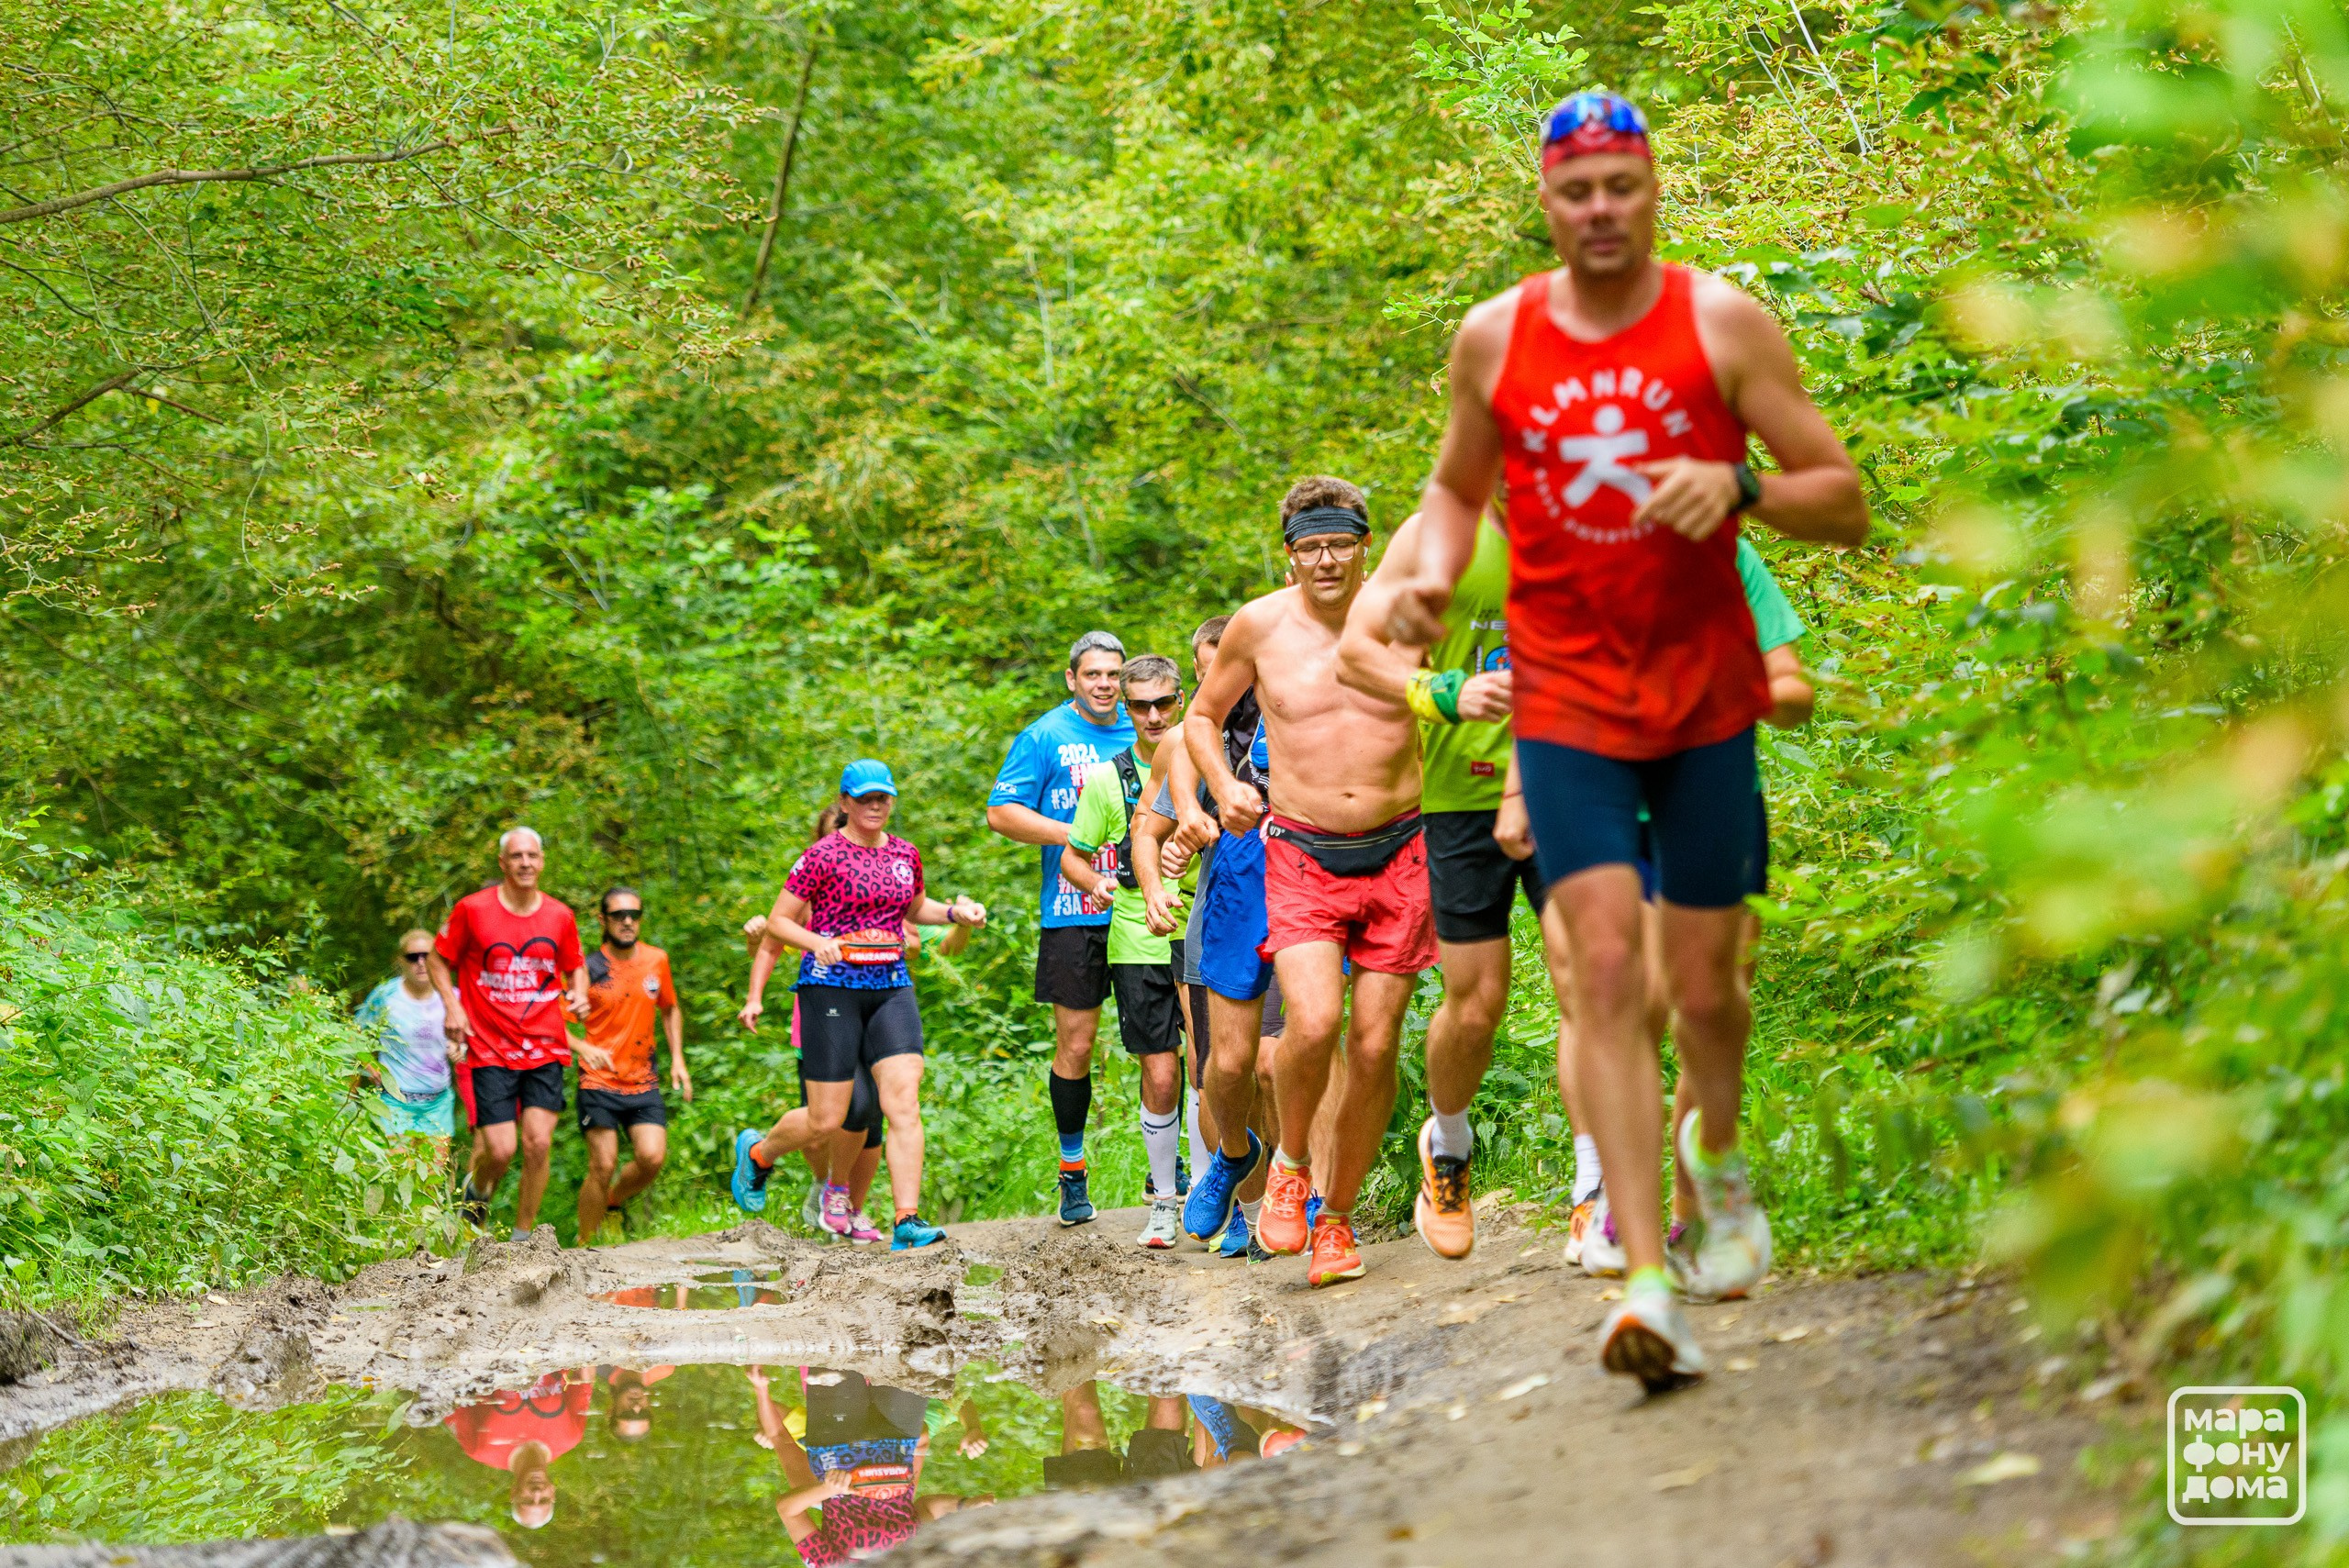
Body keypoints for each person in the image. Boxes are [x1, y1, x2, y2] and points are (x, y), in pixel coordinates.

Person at [1384, 91, 1868, 1389]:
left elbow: (1842, 498)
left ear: (1653, 190)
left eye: (1621, 185)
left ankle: (1716, 1150)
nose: (1599, 209)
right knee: (1603, 973)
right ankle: (1646, 1275)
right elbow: (1454, 487)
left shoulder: (1722, 323)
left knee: (1705, 993)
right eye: (1575, 190)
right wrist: (1430, 573)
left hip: (1703, 701)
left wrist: (1742, 483)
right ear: (1545, 202)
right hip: (1567, 702)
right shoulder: (1497, 336)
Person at [1535, 537, 1818, 1276]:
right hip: (1612, 815)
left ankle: (1694, 1216)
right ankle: (1621, 1205)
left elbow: (1794, 691)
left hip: (1718, 804)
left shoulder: (1727, 557)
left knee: (1713, 1006)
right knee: (1638, 1000)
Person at [1185, 476, 1439, 1288]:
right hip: (1300, 851)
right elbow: (1201, 716)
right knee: (1315, 1020)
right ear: (1289, 554)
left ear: (1366, 546)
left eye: (1341, 544)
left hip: (1402, 848)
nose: (1327, 560)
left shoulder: (1411, 618)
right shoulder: (1260, 625)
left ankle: (1337, 1217)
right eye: (1311, 547)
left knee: (1375, 1043)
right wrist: (1221, 785)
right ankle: (1288, 1162)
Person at [1338, 507, 1531, 1261]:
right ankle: (1448, 1142)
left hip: (1570, 776)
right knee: (1477, 1004)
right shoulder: (1436, 534)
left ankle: (1595, 1192)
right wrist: (1440, 691)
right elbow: (1358, 653)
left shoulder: (1594, 520)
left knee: (1596, 985)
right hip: (1461, 798)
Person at [732, 760, 987, 1250]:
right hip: (831, 988)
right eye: (865, 798)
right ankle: (760, 1153)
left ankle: (907, 1219)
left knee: (903, 1101)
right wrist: (816, 942)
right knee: (827, 1119)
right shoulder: (821, 856)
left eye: (883, 798)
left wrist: (957, 913)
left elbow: (916, 908)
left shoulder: (905, 854)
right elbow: (778, 922)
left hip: (890, 985)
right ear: (845, 802)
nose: (875, 806)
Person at [985, 630, 1135, 1225]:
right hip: (1073, 911)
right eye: (1093, 674)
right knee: (1076, 1045)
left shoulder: (1143, 725)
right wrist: (1075, 833)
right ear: (1072, 678)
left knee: (1161, 1046)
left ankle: (1168, 1168)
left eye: (1113, 674)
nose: (1105, 684)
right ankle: (1072, 1172)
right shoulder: (1044, 736)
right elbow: (1001, 812)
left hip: (1141, 908)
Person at [1060, 653, 1190, 1248]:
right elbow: (1073, 853)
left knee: (1213, 1070)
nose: (1153, 716)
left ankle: (1213, 1191)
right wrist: (1095, 882)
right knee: (1160, 1073)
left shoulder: (1208, 761)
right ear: (1127, 709)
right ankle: (1163, 1199)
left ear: (1181, 700)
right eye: (1140, 706)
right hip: (1137, 938)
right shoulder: (1107, 778)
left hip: (1205, 929)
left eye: (1163, 703)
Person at [429, 828, 591, 1237]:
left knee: (538, 1143)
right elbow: (436, 959)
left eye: (532, 855)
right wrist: (453, 1007)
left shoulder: (560, 915)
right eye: (517, 856)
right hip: (489, 1045)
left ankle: (523, 1237)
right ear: (502, 863)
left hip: (544, 1044)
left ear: (542, 862)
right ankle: (477, 1192)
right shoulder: (472, 909)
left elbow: (575, 965)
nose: (525, 863)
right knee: (500, 1150)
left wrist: (580, 994)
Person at [763, 1367, 992, 1563]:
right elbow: (928, 1508)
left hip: (837, 1444)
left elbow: (787, 1510)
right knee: (912, 1353)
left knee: (837, 1350)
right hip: (899, 1440)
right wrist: (966, 1505)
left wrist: (827, 1489)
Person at [573, 887, 689, 1245]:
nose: (627, 922)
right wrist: (582, 1047)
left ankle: (613, 1202)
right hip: (598, 1080)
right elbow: (554, 1021)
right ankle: (584, 1244)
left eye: (634, 915)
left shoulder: (657, 960)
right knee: (603, 1164)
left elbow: (670, 1008)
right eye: (619, 915)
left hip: (643, 1080)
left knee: (652, 1158)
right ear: (603, 920)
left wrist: (678, 1059)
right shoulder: (587, 968)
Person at [352, 929, 455, 1171]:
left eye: (427, 956)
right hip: (395, 1102)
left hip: (437, 1103)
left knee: (431, 1181)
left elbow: (472, 1037)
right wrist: (369, 1063)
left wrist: (460, 1048)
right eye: (412, 957)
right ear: (400, 961)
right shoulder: (385, 996)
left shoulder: (451, 997)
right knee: (398, 1177)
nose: (420, 963)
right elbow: (354, 1035)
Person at [442, 1367, 595, 1529]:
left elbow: (446, 1393)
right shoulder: (570, 1437)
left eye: (527, 1500)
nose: (537, 1493)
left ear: (513, 1492)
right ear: (552, 1492)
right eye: (543, 1499)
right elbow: (584, 1377)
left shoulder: (481, 1449)